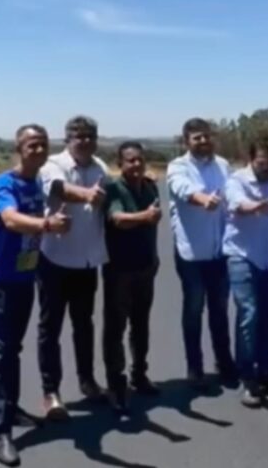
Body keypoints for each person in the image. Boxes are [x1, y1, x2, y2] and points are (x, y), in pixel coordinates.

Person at [0, 124, 71, 467]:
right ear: (19, 148)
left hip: (24, 277)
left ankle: (11, 409)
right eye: (32, 144)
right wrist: (46, 225)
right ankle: (1, 431)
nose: (39, 149)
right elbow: (11, 220)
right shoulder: (4, 183)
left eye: (43, 144)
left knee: (12, 349)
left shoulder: (37, 183)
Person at [36, 115, 109, 419]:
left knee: (84, 325)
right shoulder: (53, 164)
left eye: (90, 136)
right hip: (54, 259)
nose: (86, 141)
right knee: (50, 327)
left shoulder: (100, 167)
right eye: (79, 136)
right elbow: (58, 189)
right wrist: (86, 194)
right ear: (68, 139)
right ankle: (51, 392)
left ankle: (87, 381)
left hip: (86, 261)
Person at [167, 117, 238, 390]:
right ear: (186, 141)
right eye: (197, 137)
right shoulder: (178, 167)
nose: (204, 141)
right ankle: (194, 367)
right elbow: (183, 189)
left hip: (220, 252)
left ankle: (224, 362)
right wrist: (202, 199)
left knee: (220, 310)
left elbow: (233, 193)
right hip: (191, 254)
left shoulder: (223, 165)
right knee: (194, 310)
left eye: (207, 136)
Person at [223, 137, 268, 408]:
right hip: (243, 256)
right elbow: (237, 204)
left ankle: (266, 372)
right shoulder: (236, 180)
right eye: (262, 162)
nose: (267, 167)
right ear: (250, 160)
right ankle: (247, 377)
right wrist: (256, 207)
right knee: (249, 314)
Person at [101, 141, 163, 414]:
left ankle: (140, 374)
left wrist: (154, 256)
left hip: (145, 268)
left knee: (141, 325)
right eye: (130, 160)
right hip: (120, 270)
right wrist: (145, 216)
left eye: (140, 159)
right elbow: (118, 219)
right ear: (120, 164)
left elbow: (154, 222)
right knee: (115, 328)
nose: (136, 164)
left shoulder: (150, 187)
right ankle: (116, 384)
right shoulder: (113, 188)